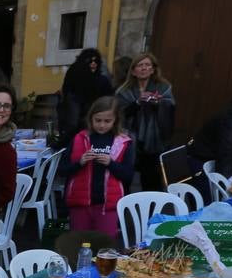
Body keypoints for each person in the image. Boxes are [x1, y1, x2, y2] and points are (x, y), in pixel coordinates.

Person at [65, 96, 135, 239]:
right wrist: (80, 162)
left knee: (105, 247)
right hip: (79, 204)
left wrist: (111, 163)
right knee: (77, 245)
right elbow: (62, 169)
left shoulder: (122, 142)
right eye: (98, 120)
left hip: (108, 206)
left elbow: (128, 176)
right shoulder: (79, 138)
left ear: (115, 120)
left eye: (107, 121)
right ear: (90, 118)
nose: (102, 125)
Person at [116, 52, 176, 190]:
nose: (144, 68)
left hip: (153, 141)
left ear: (153, 69)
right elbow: (119, 114)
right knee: (125, 179)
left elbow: (171, 108)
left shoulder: (163, 88)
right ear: (133, 71)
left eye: (147, 65)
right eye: (140, 65)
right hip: (129, 139)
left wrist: (158, 103)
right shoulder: (123, 91)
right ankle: (123, 206)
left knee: (151, 180)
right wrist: (137, 102)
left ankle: (150, 208)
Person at [56, 48, 114, 147]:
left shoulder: (102, 78)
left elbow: (108, 97)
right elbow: (67, 91)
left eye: (95, 61)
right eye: (90, 61)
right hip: (76, 105)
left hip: (95, 110)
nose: (93, 64)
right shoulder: (75, 72)